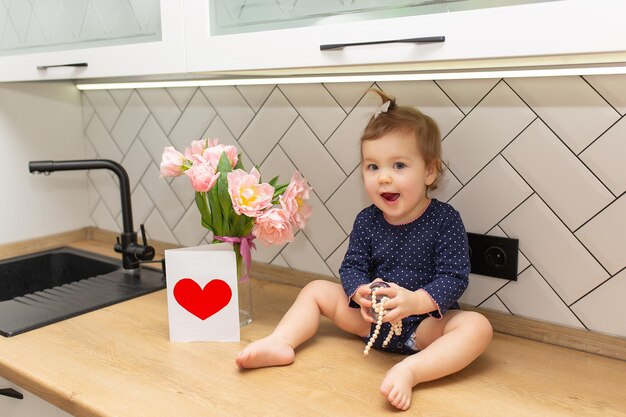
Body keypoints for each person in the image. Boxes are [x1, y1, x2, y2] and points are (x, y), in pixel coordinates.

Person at [235, 89, 493, 411]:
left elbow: (454, 277)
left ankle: (412, 370)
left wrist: (415, 302)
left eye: (399, 165)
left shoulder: (444, 219)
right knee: (316, 289)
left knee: (476, 327)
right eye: (372, 167)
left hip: (425, 326)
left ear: (429, 171)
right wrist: (359, 292)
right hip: (371, 321)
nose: (383, 177)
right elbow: (351, 266)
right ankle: (280, 342)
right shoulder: (367, 220)